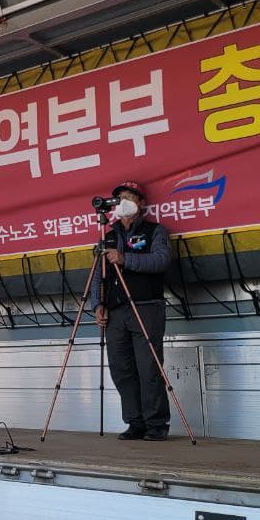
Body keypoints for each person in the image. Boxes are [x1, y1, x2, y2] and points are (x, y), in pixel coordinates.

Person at [91, 180, 173, 441]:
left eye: (130, 197)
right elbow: (97, 274)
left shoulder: (155, 230)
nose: (124, 202)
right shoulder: (108, 234)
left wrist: (125, 259)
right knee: (121, 368)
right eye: (120, 198)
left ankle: (156, 424)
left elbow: (161, 260)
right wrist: (98, 304)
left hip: (146, 307)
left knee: (149, 368)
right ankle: (135, 422)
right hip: (116, 311)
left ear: (141, 203)